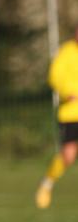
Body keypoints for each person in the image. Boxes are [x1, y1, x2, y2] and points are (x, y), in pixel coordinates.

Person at [35, 27, 78, 209]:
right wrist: (68, 93)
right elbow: (55, 76)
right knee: (68, 155)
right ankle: (47, 184)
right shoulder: (67, 52)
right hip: (70, 113)